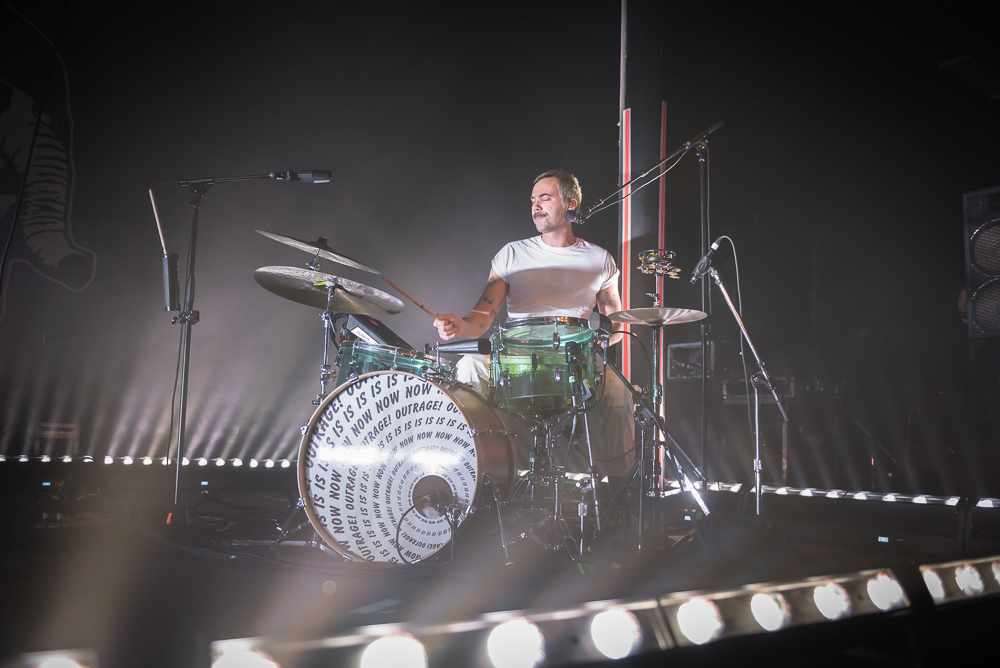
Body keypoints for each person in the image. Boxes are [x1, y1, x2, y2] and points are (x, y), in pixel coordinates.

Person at [434, 169, 635, 480]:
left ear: (570, 204)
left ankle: (620, 490)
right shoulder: (512, 254)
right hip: (518, 359)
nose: (535, 206)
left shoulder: (600, 259)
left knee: (618, 391)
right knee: (469, 366)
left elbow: (616, 323)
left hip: (575, 361)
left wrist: (597, 343)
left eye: (544, 198)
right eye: (532, 200)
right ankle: (471, 474)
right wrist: (461, 325)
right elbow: (483, 315)